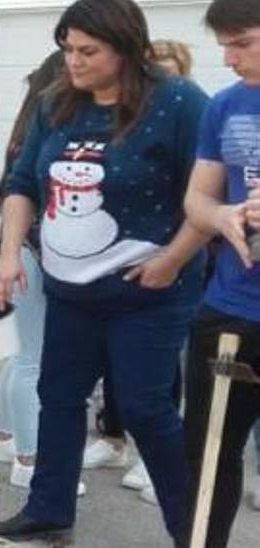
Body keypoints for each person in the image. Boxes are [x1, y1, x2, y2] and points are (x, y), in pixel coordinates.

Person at [0, 0, 211, 543]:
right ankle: (49, 508)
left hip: (148, 291)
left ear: (125, 49)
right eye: (68, 50)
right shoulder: (56, 102)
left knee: (145, 408)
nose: (74, 62)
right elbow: (22, 183)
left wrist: (172, 259)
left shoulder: (178, 103)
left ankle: (192, 530)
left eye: (88, 51)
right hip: (70, 291)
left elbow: (209, 193)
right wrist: (9, 253)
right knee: (59, 396)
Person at [83, 36, 198, 497]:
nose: (157, 78)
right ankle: (112, 439)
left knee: (162, 368)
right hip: (117, 266)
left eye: (168, 69)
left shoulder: (189, 119)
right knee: (114, 362)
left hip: (172, 266)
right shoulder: (121, 119)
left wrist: (172, 256)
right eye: (152, 67)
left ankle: (157, 460)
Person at [181, 0, 260, 545]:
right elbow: (197, 201)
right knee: (208, 456)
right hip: (231, 312)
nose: (230, 59)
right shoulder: (225, 106)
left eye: (243, 43)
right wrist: (223, 216)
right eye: (224, 46)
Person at [0, 51, 79, 493]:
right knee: (31, 362)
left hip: (20, 252)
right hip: (35, 255)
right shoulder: (47, 136)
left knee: (20, 354)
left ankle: (3, 437)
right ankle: (30, 459)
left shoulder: (24, 132)